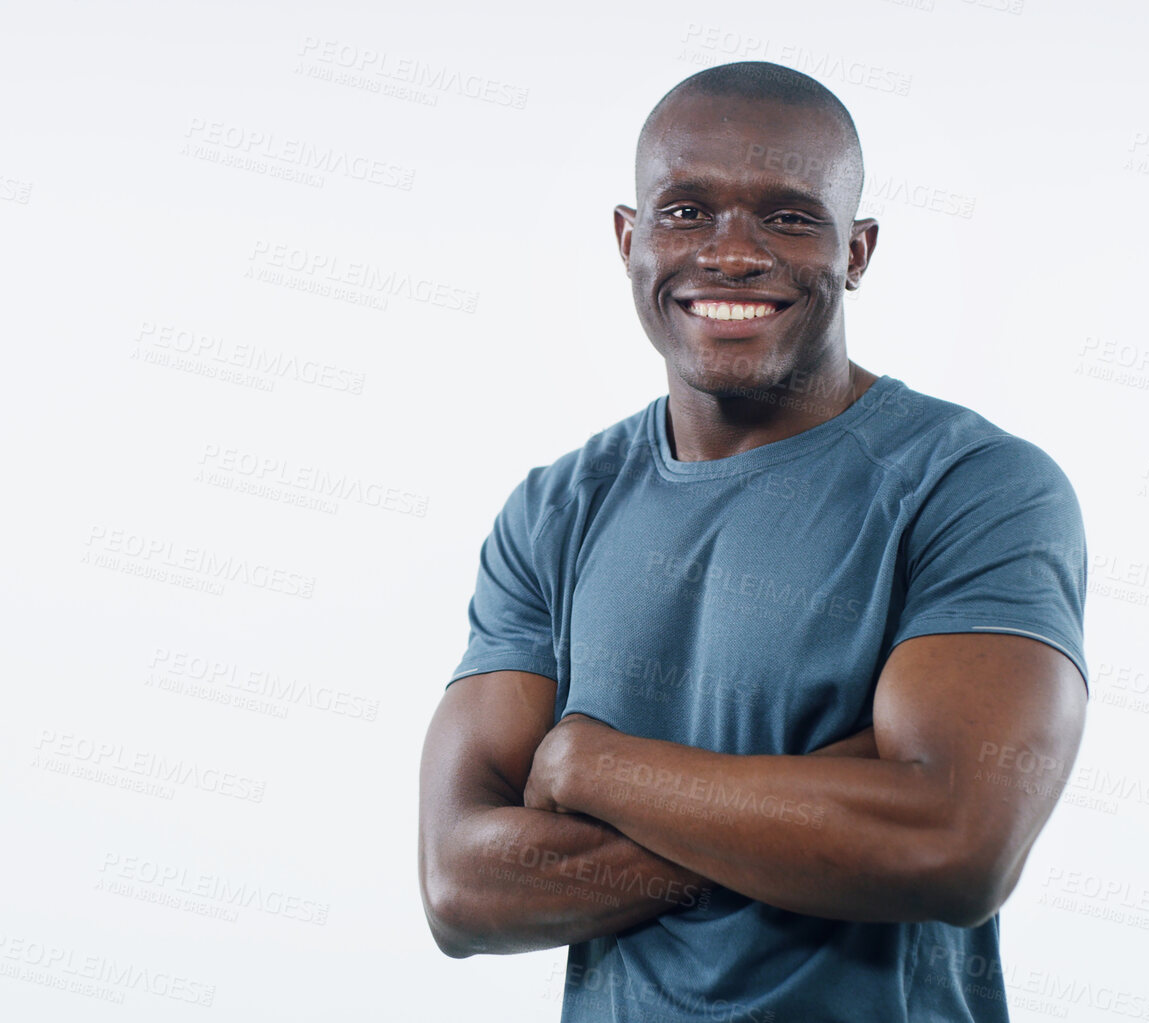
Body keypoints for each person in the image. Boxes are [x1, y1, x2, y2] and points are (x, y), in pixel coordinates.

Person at [417, 61, 1088, 1022]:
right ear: (628, 238)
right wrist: (821, 807)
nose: (731, 255)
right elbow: (462, 887)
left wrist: (589, 770)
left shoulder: (973, 486)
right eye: (685, 212)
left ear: (855, 251)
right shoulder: (554, 510)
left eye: (786, 216)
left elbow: (950, 845)